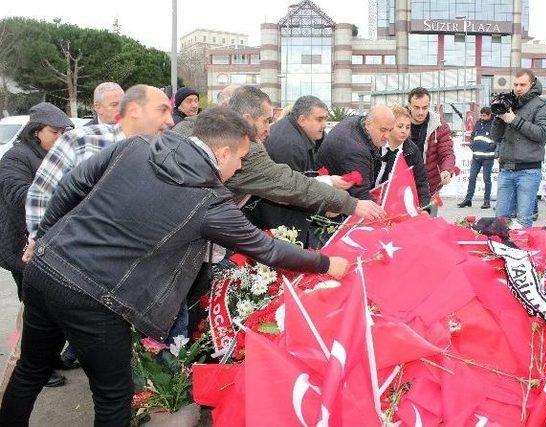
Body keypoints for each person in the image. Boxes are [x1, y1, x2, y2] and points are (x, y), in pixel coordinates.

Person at [0, 107, 349, 426]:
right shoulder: (209, 200)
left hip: (44, 270)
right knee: (113, 396)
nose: (241, 167)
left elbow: (71, 185)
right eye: (241, 158)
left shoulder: (136, 147)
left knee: (31, 369)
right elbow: (267, 249)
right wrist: (324, 262)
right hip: (94, 297)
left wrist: (44, 238)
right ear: (222, 152)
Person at [172, 86, 385, 221]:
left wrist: (328, 182)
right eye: (265, 120)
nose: (269, 128)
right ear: (246, 118)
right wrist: (352, 204)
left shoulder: (195, 122)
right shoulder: (248, 150)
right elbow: (288, 184)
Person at [24, 84, 174, 249]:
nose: (171, 121)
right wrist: (42, 244)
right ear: (134, 110)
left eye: (171, 112)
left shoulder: (166, 156)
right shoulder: (81, 141)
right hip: (72, 257)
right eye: (162, 110)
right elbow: (41, 193)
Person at [0, 103, 73, 395]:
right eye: (54, 132)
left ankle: (49, 357)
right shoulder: (16, 158)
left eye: (64, 132)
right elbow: (20, 196)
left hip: (47, 246)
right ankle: (35, 367)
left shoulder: (56, 154)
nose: (60, 137)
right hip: (21, 247)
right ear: (36, 132)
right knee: (33, 311)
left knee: (49, 309)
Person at [252, 95, 353, 247]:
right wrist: (325, 208)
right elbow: (291, 192)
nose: (324, 124)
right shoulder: (290, 145)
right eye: (319, 119)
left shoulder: (296, 134)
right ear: (302, 120)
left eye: (325, 119)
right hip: (277, 221)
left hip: (281, 217)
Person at [491, 68, 546, 227]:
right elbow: (495, 137)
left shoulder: (541, 106)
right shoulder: (509, 102)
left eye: (523, 84)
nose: (518, 88)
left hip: (529, 171)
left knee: (523, 220)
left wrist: (513, 119)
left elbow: (541, 133)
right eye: (516, 84)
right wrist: (499, 118)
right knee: (500, 219)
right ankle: (500, 250)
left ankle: (523, 251)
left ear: (532, 84)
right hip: (506, 169)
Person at [316, 105, 396, 200]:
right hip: (327, 200)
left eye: (390, 130)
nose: (387, 136)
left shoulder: (357, 122)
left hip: (331, 190)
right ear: (368, 124)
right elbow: (361, 196)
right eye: (383, 130)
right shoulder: (356, 150)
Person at [407, 87, 455, 214]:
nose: (421, 112)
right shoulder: (399, 122)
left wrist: (446, 170)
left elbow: (447, 152)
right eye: (416, 107)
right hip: (403, 187)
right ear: (409, 106)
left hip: (430, 187)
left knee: (428, 226)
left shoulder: (439, 126)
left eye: (425, 107)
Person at [376, 104, 430, 208]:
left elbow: (421, 182)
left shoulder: (412, 150)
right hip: (373, 200)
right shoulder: (376, 145)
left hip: (398, 203)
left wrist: (425, 208)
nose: (404, 130)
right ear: (389, 126)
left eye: (408, 127)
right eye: (400, 126)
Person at [458, 107, 496, 209]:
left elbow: (497, 139)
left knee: (486, 179)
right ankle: (468, 200)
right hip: (476, 157)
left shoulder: (494, 124)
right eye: (481, 115)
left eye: (484, 115)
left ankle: (486, 201)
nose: (482, 117)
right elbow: (473, 135)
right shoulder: (478, 123)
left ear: (489, 115)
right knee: (472, 178)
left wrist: (490, 147)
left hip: (488, 157)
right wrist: (472, 145)